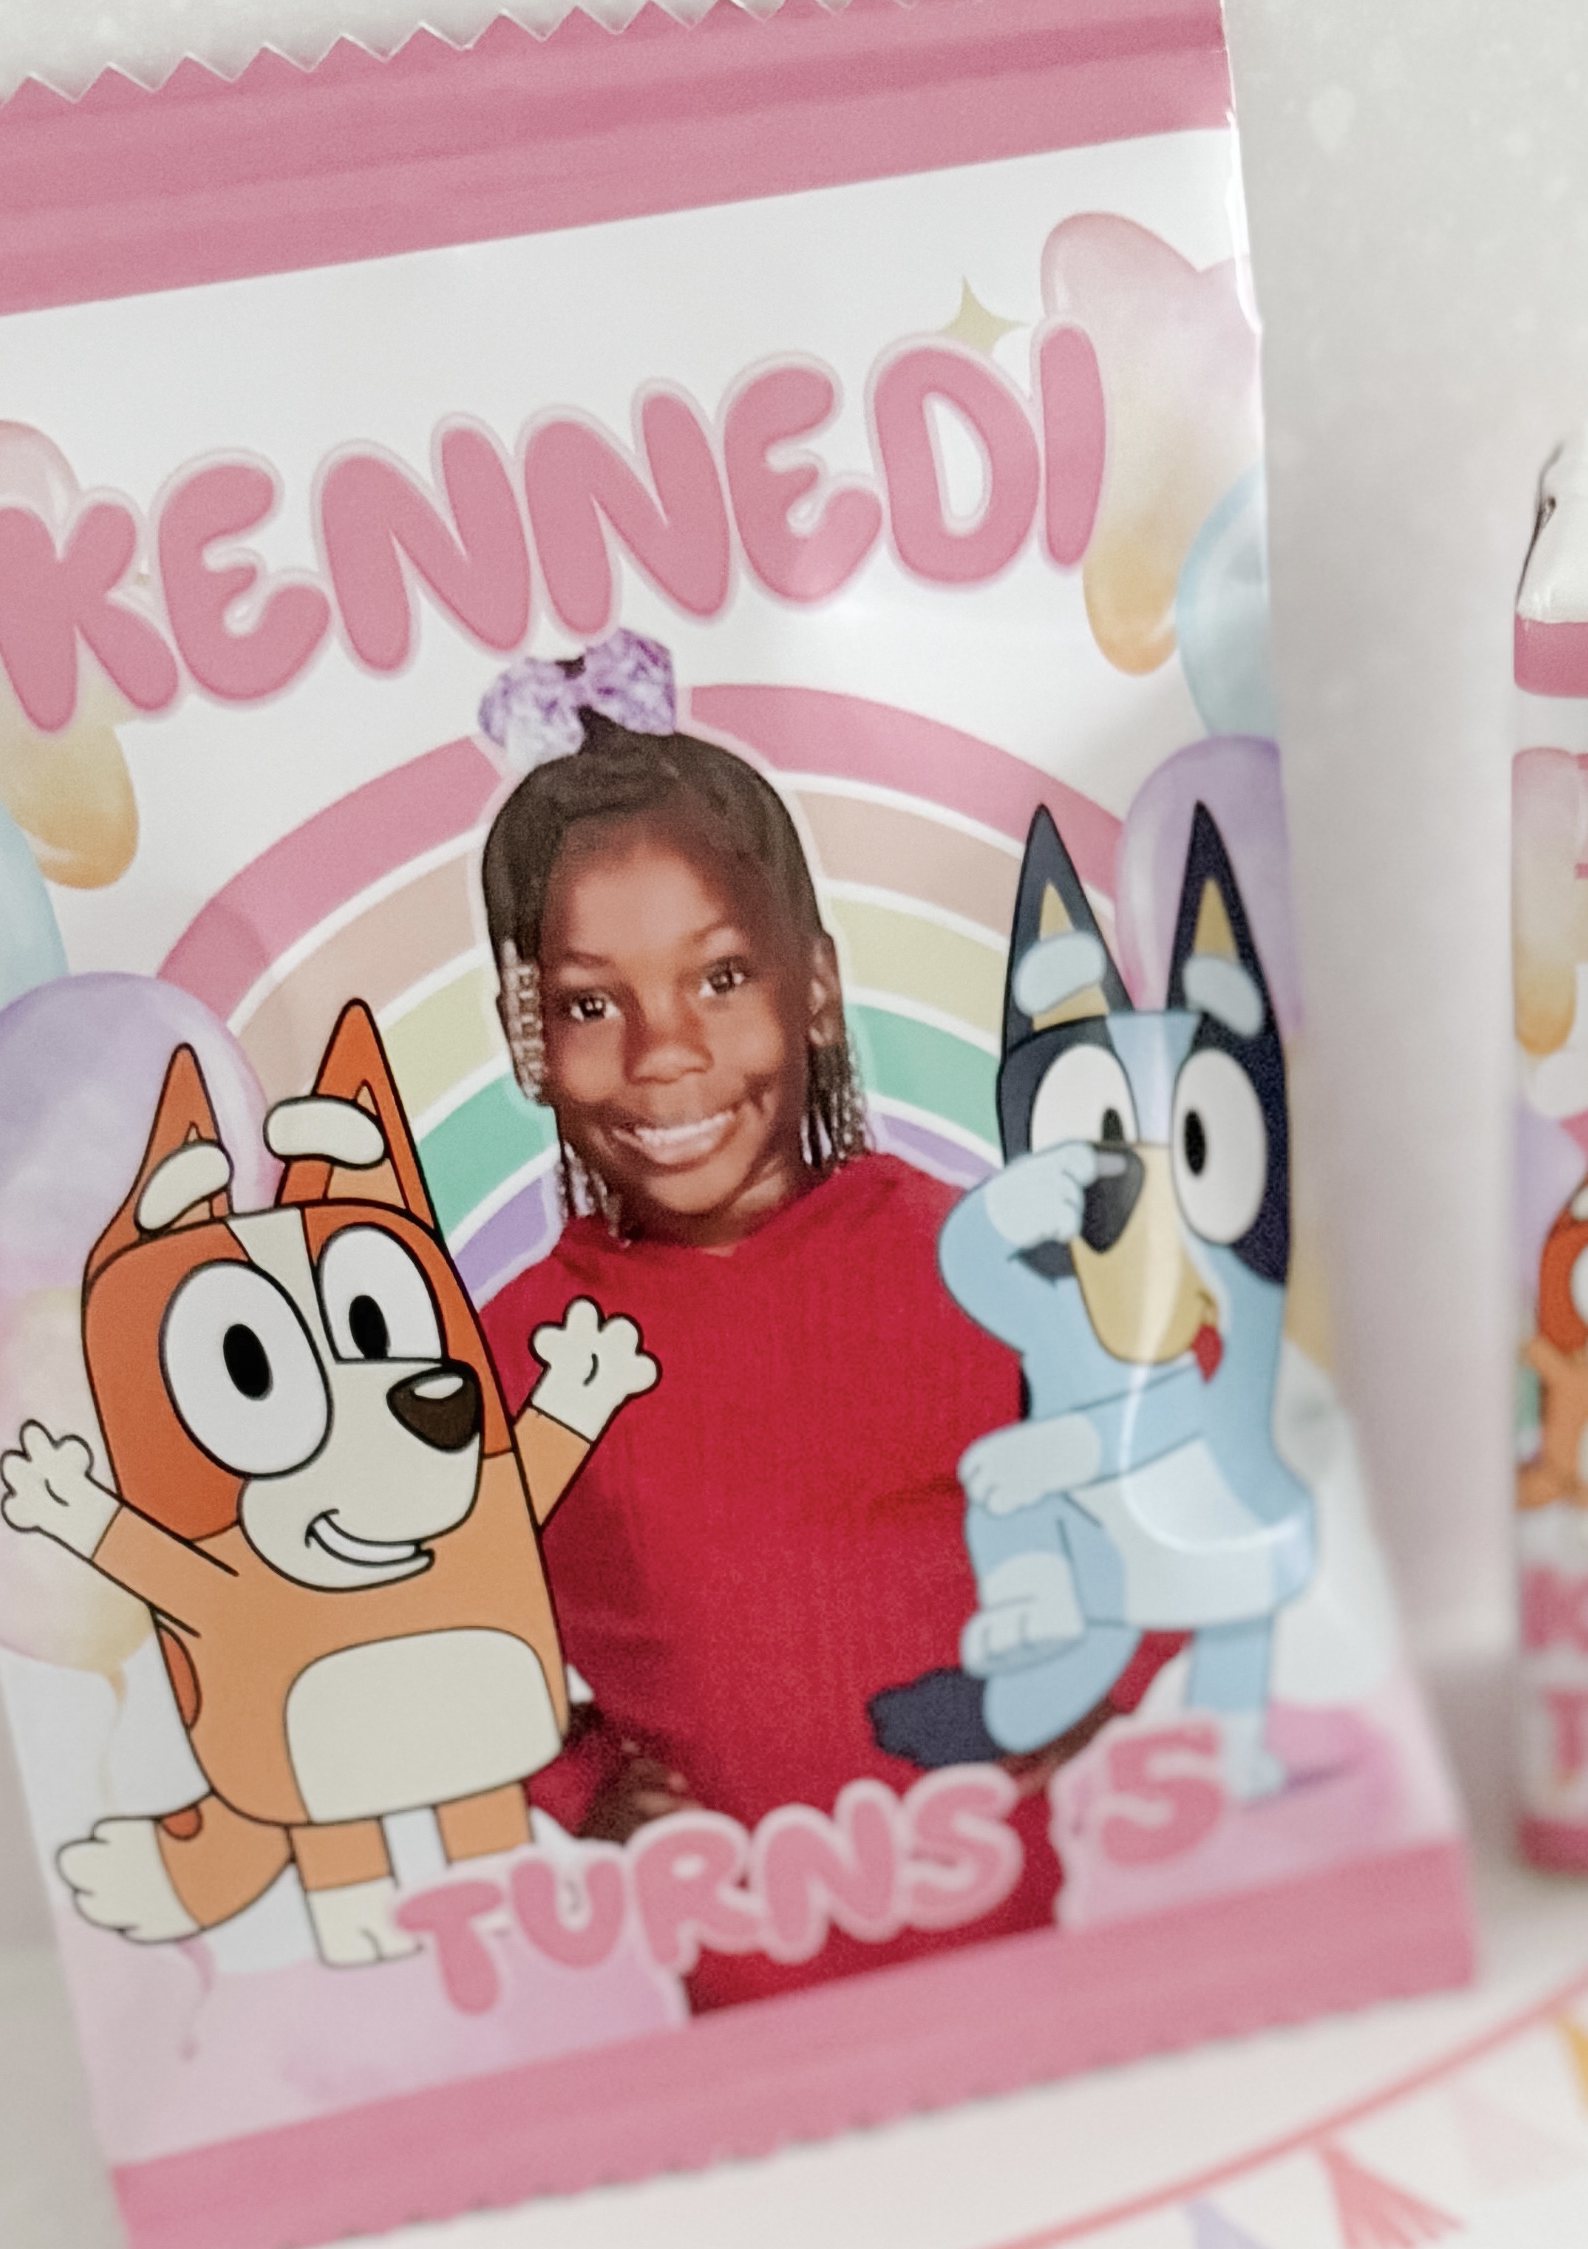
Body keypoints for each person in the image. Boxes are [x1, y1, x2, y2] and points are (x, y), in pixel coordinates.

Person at [467, 645, 1134, 2009]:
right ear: (526, 1036)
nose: (663, 1051)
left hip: (1019, 1961)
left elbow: (1177, 1452)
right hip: (740, 1997)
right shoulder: (519, 1353)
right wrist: (578, 1784)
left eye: (720, 978)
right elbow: (430, 1614)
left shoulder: (977, 1259)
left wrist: (1103, 1665)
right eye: (591, 1003)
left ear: (815, 985)